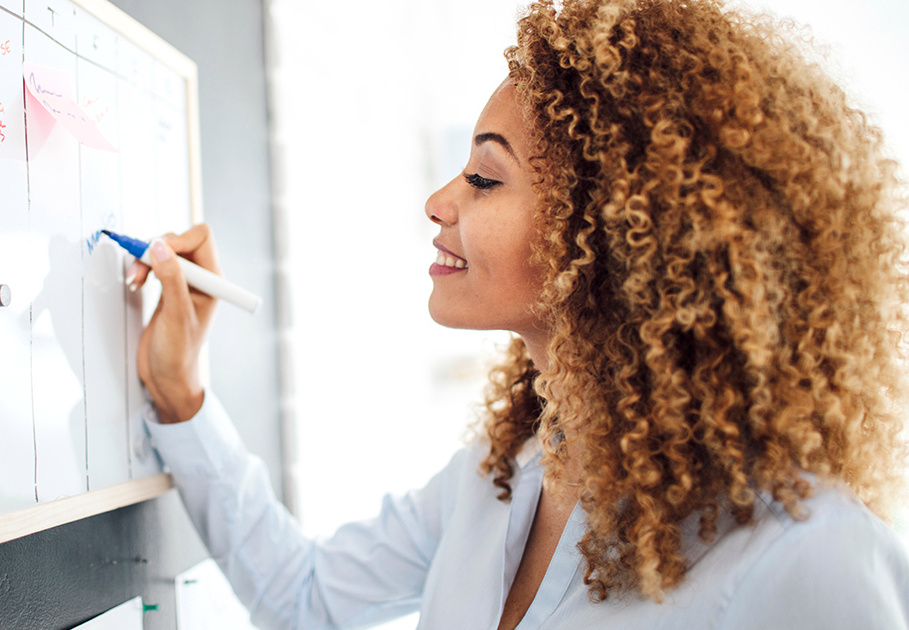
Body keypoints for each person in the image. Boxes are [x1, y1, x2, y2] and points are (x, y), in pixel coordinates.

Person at [124, 0, 909, 627]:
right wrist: (180, 394)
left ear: (609, 228)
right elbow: (303, 599)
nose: (438, 203)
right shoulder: (495, 478)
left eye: (484, 179)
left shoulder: (810, 558)